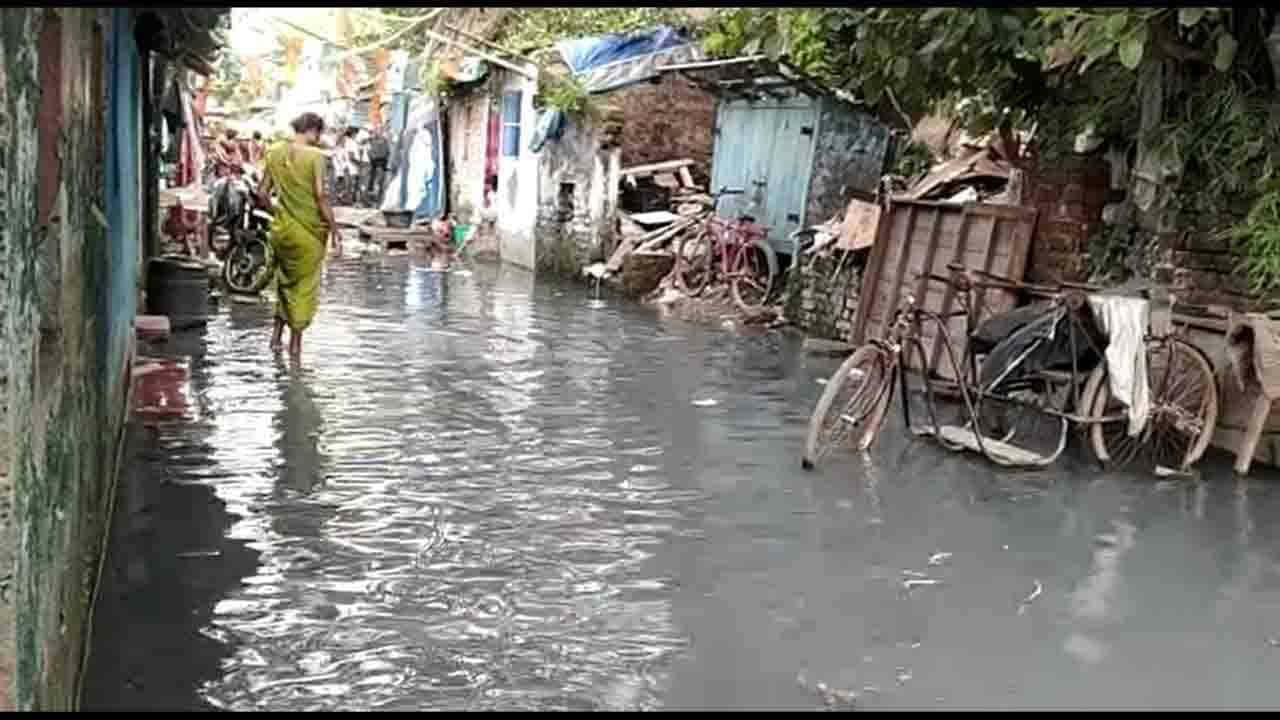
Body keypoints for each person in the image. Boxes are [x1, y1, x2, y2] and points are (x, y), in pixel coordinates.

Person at [255, 112, 342, 359]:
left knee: (284, 282)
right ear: (313, 130)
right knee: (303, 288)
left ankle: (275, 338)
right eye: (319, 133)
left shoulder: (274, 152)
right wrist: (335, 228)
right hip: (309, 233)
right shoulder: (316, 157)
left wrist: (280, 212)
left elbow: (261, 194)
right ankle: (295, 345)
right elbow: (320, 196)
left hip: (282, 231)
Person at [365, 123, 391, 208]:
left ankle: (378, 203)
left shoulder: (385, 140)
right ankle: (372, 201)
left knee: (381, 184)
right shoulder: (370, 140)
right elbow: (369, 152)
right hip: (374, 165)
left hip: (382, 165)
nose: (378, 132)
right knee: (372, 184)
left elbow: (388, 152)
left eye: (380, 130)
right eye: (377, 130)